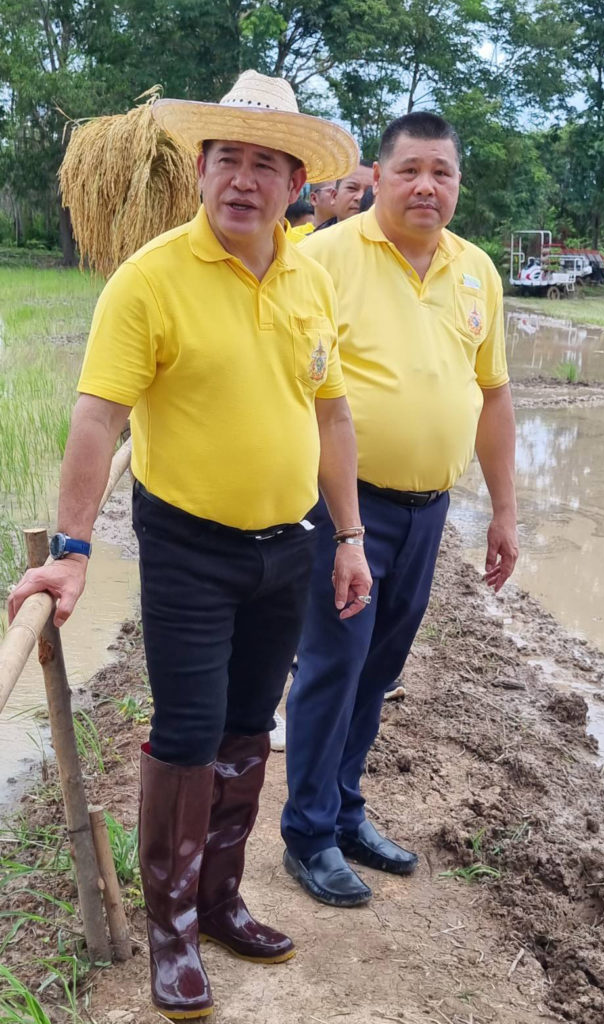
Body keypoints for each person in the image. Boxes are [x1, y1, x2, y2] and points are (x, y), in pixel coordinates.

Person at [9, 70, 372, 1020]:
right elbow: (97, 418)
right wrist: (75, 546)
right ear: (200, 170)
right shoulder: (153, 277)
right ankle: (171, 928)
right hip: (188, 546)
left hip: (288, 543)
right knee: (186, 730)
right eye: (226, 159)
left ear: (295, 181)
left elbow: (330, 414)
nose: (242, 179)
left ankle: (218, 901)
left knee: (250, 727)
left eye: (264, 162)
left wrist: (348, 536)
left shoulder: (309, 275)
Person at [281, 111, 518, 908]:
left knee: (378, 669)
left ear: (457, 184)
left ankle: (345, 811)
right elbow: (291, 392)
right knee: (332, 665)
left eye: (441, 172)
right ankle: (308, 834)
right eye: (408, 169)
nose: (426, 185)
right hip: (340, 507)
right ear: (374, 178)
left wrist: (503, 513)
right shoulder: (320, 258)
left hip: (427, 510)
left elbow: (491, 395)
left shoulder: (475, 270)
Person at [314, 159, 374, 230]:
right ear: (334, 196)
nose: (360, 197)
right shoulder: (312, 240)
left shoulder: (388, 240)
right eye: (352, 188)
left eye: (369, 191)